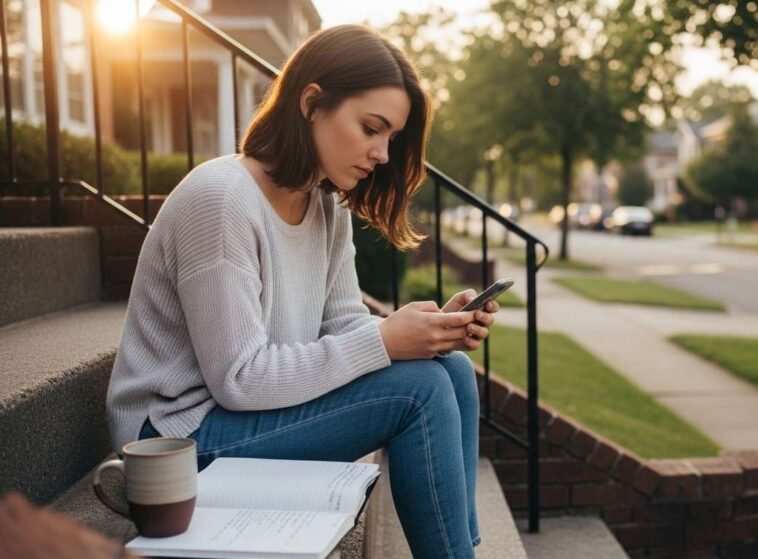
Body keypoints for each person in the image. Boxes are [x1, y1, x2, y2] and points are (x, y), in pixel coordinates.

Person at [105, 25, 492, 558]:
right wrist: (386, 342)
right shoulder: (221, 201)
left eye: (391, 138)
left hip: (239, 418)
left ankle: (460, 547)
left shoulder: (324, 208)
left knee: (448, 369)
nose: (381, 153)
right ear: (312, 103)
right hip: (177, 442)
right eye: (371, 128)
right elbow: (239, 378)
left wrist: (424, 333)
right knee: (418, 390)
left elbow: (342, 325)